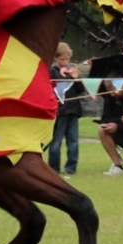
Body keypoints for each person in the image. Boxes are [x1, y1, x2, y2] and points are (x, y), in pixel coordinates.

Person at [47, 43, 86, 176]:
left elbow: (81, 91)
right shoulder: (51, 72)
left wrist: (77, 79)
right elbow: (48, 86)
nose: (65, 62)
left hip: (73, 111)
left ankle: (71, 168)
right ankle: (54, 168)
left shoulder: (72, 71)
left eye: (67, 59)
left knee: (73, 141)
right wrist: (60, 75)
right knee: (56, 141)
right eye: (62, 59)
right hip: (59, 112)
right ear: (56, 59)